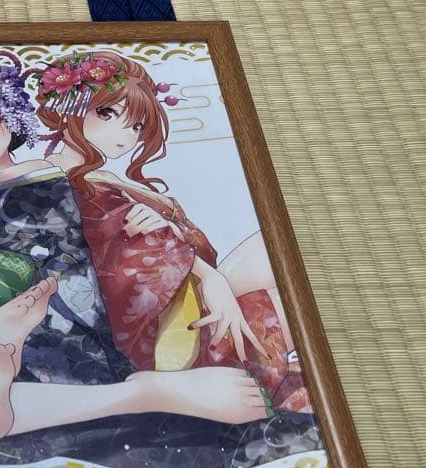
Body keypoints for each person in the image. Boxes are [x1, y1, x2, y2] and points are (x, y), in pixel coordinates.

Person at [0, 51, 321, 468]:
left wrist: (192, 259)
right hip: (31, 326)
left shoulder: (54, 169)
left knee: (269, 261)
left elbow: (136, 214)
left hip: (96, 306)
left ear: (9, 113)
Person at [32, 49, 308, 411]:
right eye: (108, 113)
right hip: (163, 329)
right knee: (283, 271)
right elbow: (117, 259)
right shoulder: (61, 182)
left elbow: (168, 241)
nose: (126, 135)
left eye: (137, 126)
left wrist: (187, 249)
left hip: (185, 298)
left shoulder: (100, 177)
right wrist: (207, 274)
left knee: (285, 258)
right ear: (67, 107)